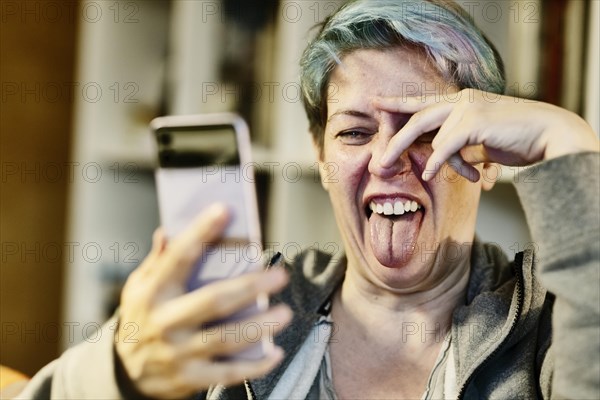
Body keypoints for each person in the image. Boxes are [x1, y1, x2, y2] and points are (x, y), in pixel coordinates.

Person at [18, 0, 599, 399]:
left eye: (426, 129)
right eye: (353, 132)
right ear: (320, 159)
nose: (386, 158)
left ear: (486, 156)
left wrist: (568, 142)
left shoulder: (553, 321)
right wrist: (124, 367)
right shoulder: (237, 314)